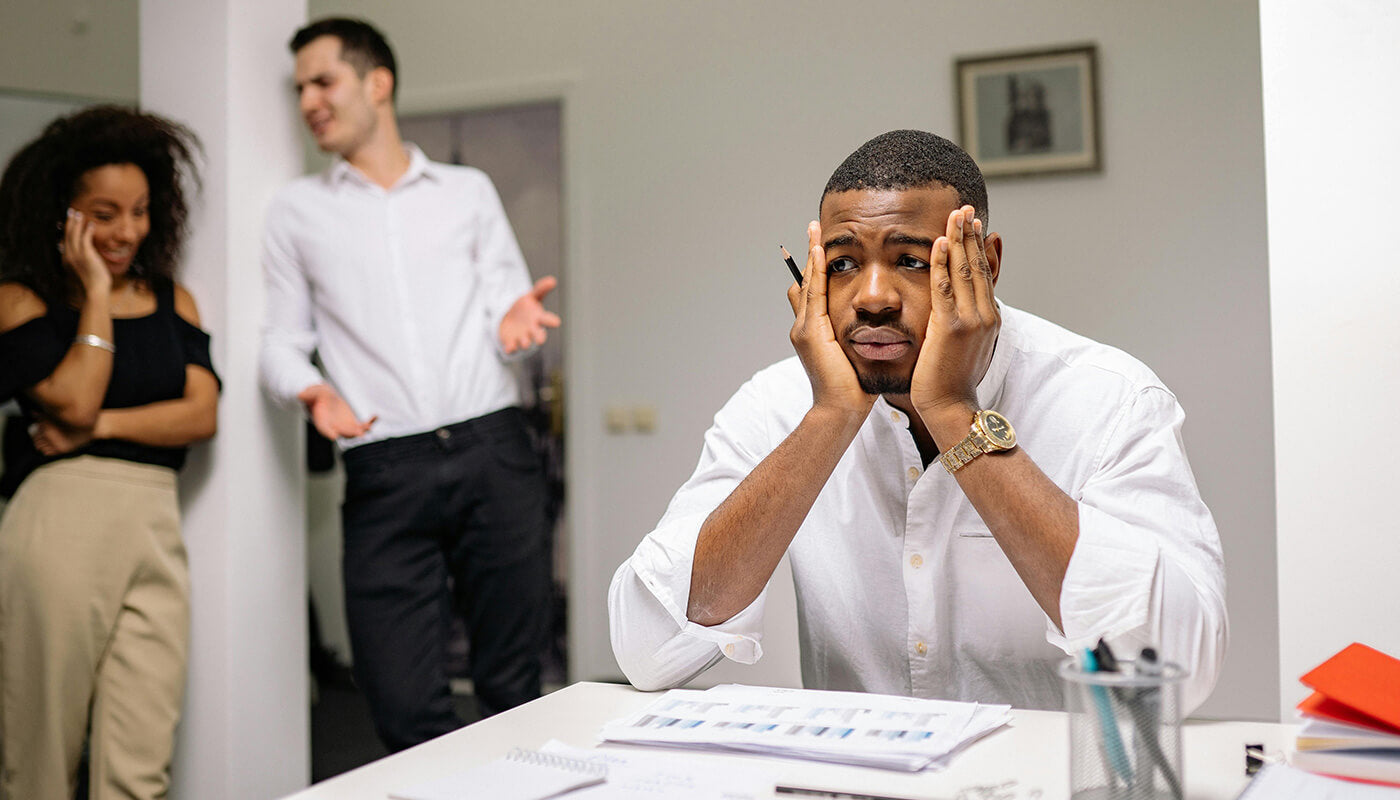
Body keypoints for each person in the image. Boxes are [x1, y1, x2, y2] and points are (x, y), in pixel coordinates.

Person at [609, 130, 1227, 714]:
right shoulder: (774, 404)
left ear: (983, 262)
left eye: (909, 259)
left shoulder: (1110, 401)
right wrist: (831, 416)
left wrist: (955, 414)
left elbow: (1175, 671)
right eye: (844, 264)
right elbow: (647, 650)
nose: (873, 296)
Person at [259, 17, 560, 751]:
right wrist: (308, 389)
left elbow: (505, 307)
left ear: (377, 83)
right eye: (300, 88)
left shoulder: (467, 191)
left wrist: (512, 324)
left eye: (323, 81)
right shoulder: (296, 213)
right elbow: (280, 343)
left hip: (495, 451)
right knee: (398, 699)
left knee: (512, 685)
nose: (308, 101)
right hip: (384, 470)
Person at [0, 106, 218, 800]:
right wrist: (95, 289)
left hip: (154, 526)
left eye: (140, 211)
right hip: (57, 521)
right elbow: (76, 397)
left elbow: (201, 412)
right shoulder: (21, 300)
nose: (126, 231)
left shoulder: (171, 299)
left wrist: (97, 430)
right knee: (39, 756)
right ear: (63, 214)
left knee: (140, 760)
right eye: (104, 213)